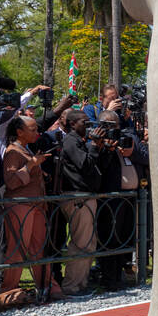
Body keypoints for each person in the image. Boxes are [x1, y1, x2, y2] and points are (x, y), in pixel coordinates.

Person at [1, 116, 64, 298]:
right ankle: (9, 291)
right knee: (18, 248)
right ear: (19, 132)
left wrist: (38, 170)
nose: (37, 133)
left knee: (40, 248)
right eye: (32, 129)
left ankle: (47, 285)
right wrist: (31, 164)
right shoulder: (13, 152)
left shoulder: (25, 149)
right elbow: (11, 182)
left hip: (35, 205)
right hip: (20, 206)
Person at [59, 110, 116, 296]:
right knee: (81, 242)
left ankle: (81, 284)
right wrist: (93, 145)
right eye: (85, 122)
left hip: (86, 195)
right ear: (72, 123)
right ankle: (72, 286)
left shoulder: (82, 142)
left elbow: (97, 169)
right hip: (77, 196)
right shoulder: (70, 141)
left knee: (88, 242)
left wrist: (105, 150)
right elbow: (85, 165)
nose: (90, 126)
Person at [95, 111, 149, 289]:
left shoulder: (128, 136)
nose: (111, 129)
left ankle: (122, 274)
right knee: (111, 237)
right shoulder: (95, 141)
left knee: (127, 236)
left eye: (114, 125)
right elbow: (98, 166)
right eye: (106, 125)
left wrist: (132, 152)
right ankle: (109, 278)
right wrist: (107, 149)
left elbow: (148, 156)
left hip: (131, 197)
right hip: (111, 197)